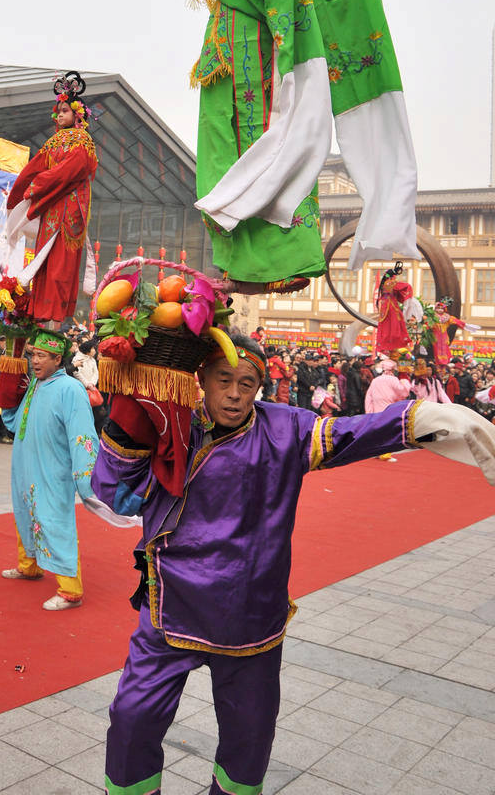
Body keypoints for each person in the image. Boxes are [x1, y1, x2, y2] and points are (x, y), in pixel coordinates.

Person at [91, 332, 495, 795]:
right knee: (130, 719)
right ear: (200, 378)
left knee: (250, 735)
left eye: (248, 383)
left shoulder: (285, 429)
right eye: (224, 379)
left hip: (249, 612)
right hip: (169, 606)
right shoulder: (173, 424)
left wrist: (420, 417)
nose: (236, 393)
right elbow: (114, 492)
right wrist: (127, 419)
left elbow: (349, 433)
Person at [191, 0, 419, 293]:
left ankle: (289, 263)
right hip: (236, 56)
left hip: (282, 54)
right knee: (233, 148)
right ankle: (238, 265)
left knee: (296, 138)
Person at [0, 328, 98, 610]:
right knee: (25, 511)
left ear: (58, 359)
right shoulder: (36, 384)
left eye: (42, 356)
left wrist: (85, 475)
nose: (35, 361)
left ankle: (71, 590)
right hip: (26, 462)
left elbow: (83, 436)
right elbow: (17, 420)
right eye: (33, 355)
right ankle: (29, 565)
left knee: (53, 519)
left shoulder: (71, 388)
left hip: (53, 468)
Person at [5, 72, 97, 327]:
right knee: (45, 260)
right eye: (58, 111)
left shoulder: (83, 141)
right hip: (52, 203)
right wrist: (21, 189)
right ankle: (42, 311)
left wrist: (39, 184)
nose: (60, 115)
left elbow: (73, 169)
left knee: (61, 263)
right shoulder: (54, 141)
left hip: (69, 206)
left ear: (78, 114)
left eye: (65, 110)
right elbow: (37, 165)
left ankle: (55, 317)